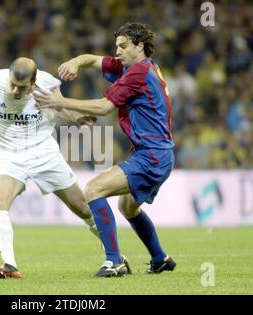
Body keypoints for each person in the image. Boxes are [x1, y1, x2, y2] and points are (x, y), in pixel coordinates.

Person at [0, 57, 130, 278]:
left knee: (82, 208)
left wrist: (76, 118)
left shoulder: (47, 83)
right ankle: (9, 266)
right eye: (12, 84)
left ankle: (115, 256)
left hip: (45, 153)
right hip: (9, 155)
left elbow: (59, 106)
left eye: (21, 87)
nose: (15, 90)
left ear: (34, 83)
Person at [35, 23, 176, 277]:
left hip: (152, 155)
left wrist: (60, 102)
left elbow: (103, 107)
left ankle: (114, 261)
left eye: (123, 46)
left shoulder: (138, 73)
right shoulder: (138, 67)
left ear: (139, 46)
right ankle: (160, 258)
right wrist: (77, 62)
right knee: (128, 207)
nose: (117, 51)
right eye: (116, 46)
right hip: (156, 153)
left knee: (93, 189)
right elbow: (94, 59)